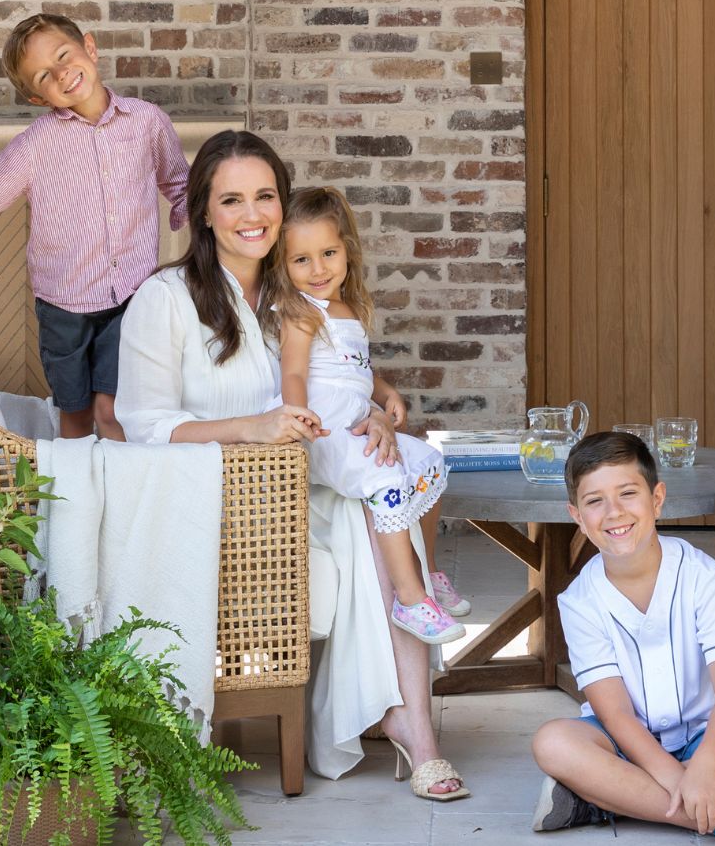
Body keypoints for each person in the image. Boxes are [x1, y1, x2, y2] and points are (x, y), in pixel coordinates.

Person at [116, 129, 468, 801]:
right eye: (231, 200)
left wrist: (374, 411)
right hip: (220, 505)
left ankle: (414, 726)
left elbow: (342, 370)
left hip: (310, 488)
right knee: (371, 515)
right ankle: (407, 722)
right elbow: (142, 429)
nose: (252, 215)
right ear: (203, 212)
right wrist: (251, 428)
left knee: (376, 490)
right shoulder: (164, 299)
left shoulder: (298, 291)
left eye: (265, 196)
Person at [0, 12, 188, 442]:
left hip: (134, 298)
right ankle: (77, 497)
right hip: (63, 307)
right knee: (76, 415)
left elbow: (180, 184)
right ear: (40, 98)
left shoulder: (147, 121)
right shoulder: (36, 144)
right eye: (44, 75)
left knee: (111, 409)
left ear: (90, 48)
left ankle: (118, 496)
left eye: (64, 55)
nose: (62, 73)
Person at [530, 432, 715, 845]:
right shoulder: (578, 601)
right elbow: (616, 715)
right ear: (576, 516)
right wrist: (683, 782)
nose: (614, 512)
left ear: (657, 498)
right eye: (594, 501)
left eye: (628, 493)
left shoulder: (704, 577)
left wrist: (703, 769)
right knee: (553, 743)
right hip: (623, 744)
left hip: (704, 737)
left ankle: (600, 799)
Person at [272, 187, 465, 645]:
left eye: (328, 253)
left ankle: (429, 569)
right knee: (385, 481)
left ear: (347, 251)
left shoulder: (348, 307)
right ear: (283, 265)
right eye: (301, 260)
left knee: (431, 464)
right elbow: (294, 371)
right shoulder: (301, 312)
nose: (318, 269)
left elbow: (356, 369)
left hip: (356, 419)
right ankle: (410, 598)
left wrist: (385, 391)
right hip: (326, 430)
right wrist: (298, 416)